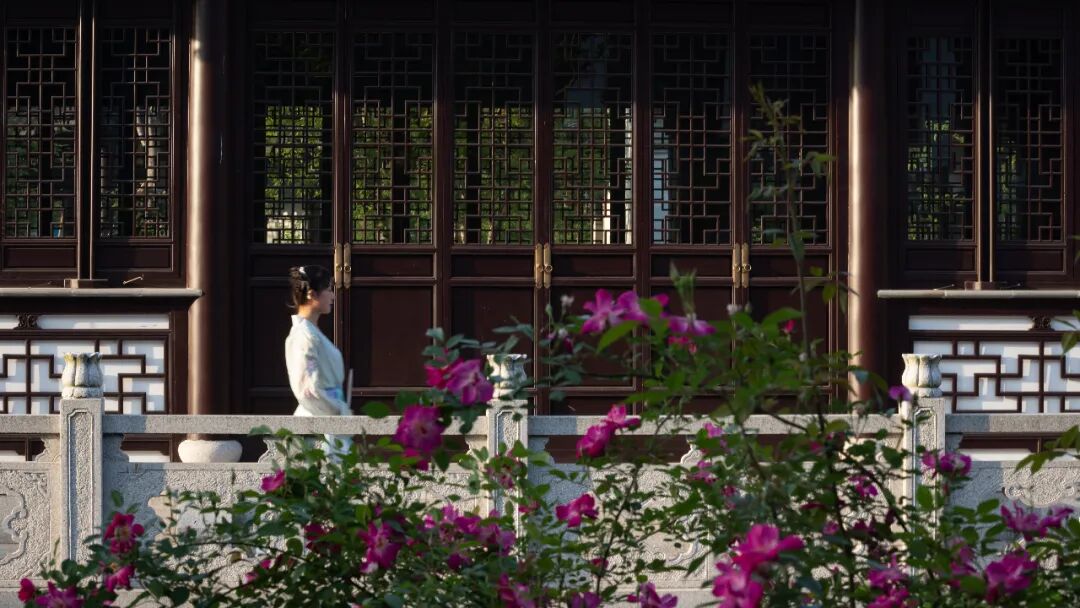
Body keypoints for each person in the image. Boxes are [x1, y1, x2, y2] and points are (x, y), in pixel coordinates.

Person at [284, 265, 352, 457]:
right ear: (312, 294)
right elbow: (307, 389)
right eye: (329, 290)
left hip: (328, 422)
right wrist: (338, 409)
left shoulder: (311, 333)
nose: (333, 296)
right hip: (317, 426)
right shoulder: (304, 336)